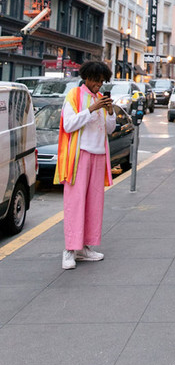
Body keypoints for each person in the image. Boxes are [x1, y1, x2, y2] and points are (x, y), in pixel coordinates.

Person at [55, 60, 115, 270]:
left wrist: (110, 111)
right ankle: (69, 249)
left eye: (102, 82)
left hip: (98, 155)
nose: (99, 85)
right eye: (97, 81)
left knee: (94, 204)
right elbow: (68, 124)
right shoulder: (74, 95)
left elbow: (109, 129)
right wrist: (91, 109)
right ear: (87, 78)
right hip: (79, 156)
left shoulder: (100, 99)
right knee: (75, 202)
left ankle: (85, 247)